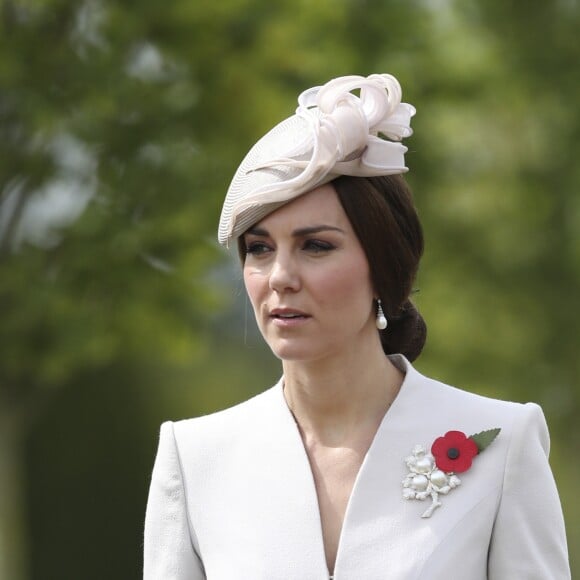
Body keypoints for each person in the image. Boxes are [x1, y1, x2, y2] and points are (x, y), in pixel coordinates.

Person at [143, 74, 570, 579]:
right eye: (259, 248)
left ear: (383, 267)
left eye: (316, 246)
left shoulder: (501, 444)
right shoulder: (195, 458)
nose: (280, 277)